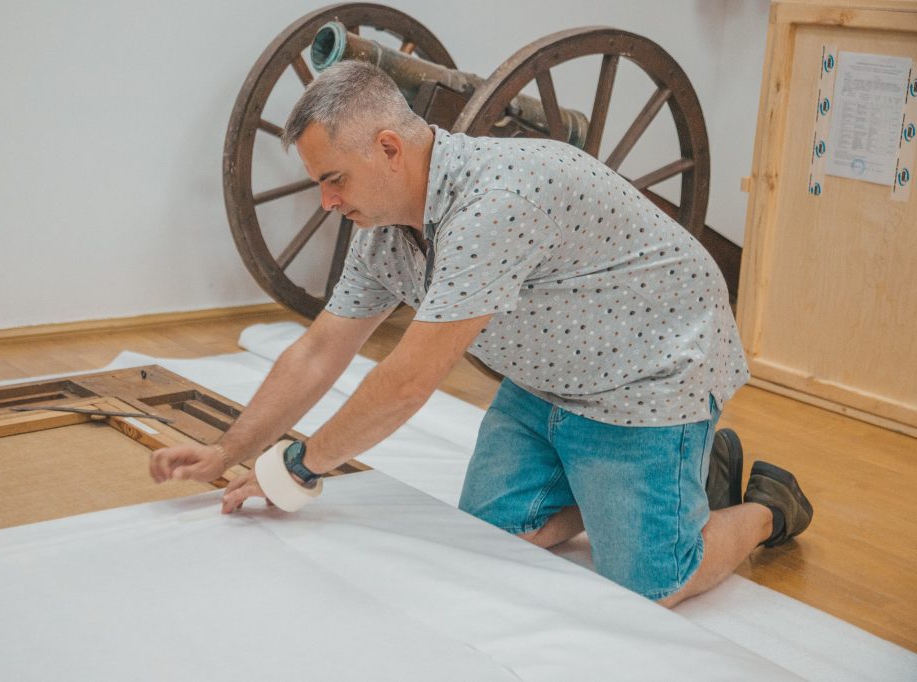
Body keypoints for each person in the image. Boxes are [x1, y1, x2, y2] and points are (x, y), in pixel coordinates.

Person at [149, 60, 812, 606]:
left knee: (651, 582)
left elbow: (406, 384)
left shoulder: (495, 203)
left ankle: (768, 507)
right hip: (546, 377)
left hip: (648, 373)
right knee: (494, 537)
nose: (328, 201)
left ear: (389, 149)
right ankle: (674, 478)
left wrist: (295, 467)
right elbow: (320, 350)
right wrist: (227, 449)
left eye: (334, 179)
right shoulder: (383, 232)